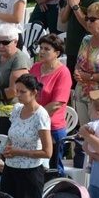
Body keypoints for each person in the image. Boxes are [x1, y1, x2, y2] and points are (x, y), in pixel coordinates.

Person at [0, 74, 52, 198]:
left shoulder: (41, 115)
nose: (18, 95)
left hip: (30, 172)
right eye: (17, 91)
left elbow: (47, 152)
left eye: (23, 92)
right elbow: (12, 134)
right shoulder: (16, 109)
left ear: (34, 92)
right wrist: (6, 149)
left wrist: (19, 152)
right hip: (11, 169)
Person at [30, 34, 72, 176]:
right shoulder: (35, 67)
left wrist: (34, 117)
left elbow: (56, 104)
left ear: (57, 53)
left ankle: (55, 193)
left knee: (52, 168)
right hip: (32, 123)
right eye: (40, 48)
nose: (41, 51)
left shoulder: (63, 73)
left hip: (52, 127)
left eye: (47, 49)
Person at [0, 23, 30, 109]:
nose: (0, 46)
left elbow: (14, 91)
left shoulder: (20, 59)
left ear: (15, 42)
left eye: (5, 43)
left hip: (8, 109)